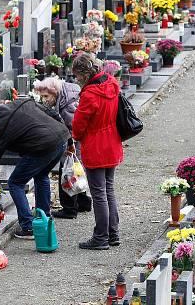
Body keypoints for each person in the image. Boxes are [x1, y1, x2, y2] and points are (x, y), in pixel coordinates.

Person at [0, 98, 71, 239]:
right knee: (41, 175)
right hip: (60, 140)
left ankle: (28, 227)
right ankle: (44, 219)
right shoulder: (22, 102)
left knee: (15, 183)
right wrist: (69, 139)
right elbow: (52, 113)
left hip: (42, 147)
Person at [71, 53, 124, 250]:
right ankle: (113, 232)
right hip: (113, 142)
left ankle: (101, 237)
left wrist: (75, 136)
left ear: (84, 74)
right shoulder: (111, 83)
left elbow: (78, 125)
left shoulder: (90, 94)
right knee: (108, 189)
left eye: (77, 76)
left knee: (99, 193)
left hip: (96, 146)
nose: (76, 80)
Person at [34, 77, 93, 218]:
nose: (44, 100)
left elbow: (72, 127)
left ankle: (69, 209)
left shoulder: (67, 104)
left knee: (67, 173)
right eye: (42, 97)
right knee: (76, 171)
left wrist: (68, 144)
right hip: (78, 141)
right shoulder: (67, 93)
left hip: (74, 142)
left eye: (46, 96)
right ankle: (83, 203)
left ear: (54, 92)